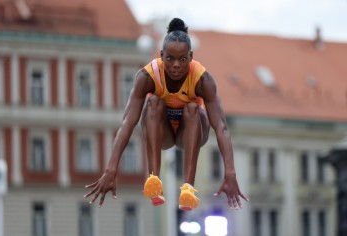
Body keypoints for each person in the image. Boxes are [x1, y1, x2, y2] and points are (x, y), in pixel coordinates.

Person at [84, 18, 248, 211]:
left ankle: (188, 188)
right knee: (153, 102)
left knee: (193, 108)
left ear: (191, 56)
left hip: (191, 131)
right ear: (162, 56)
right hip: (163, 133)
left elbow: (221, 127)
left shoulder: (202, 79)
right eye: (170, 59)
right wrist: (111, 169)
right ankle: (154, 180)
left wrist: (230, 172)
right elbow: (128, 123)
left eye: (183, 59)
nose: (176, 65)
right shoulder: (147, 76)